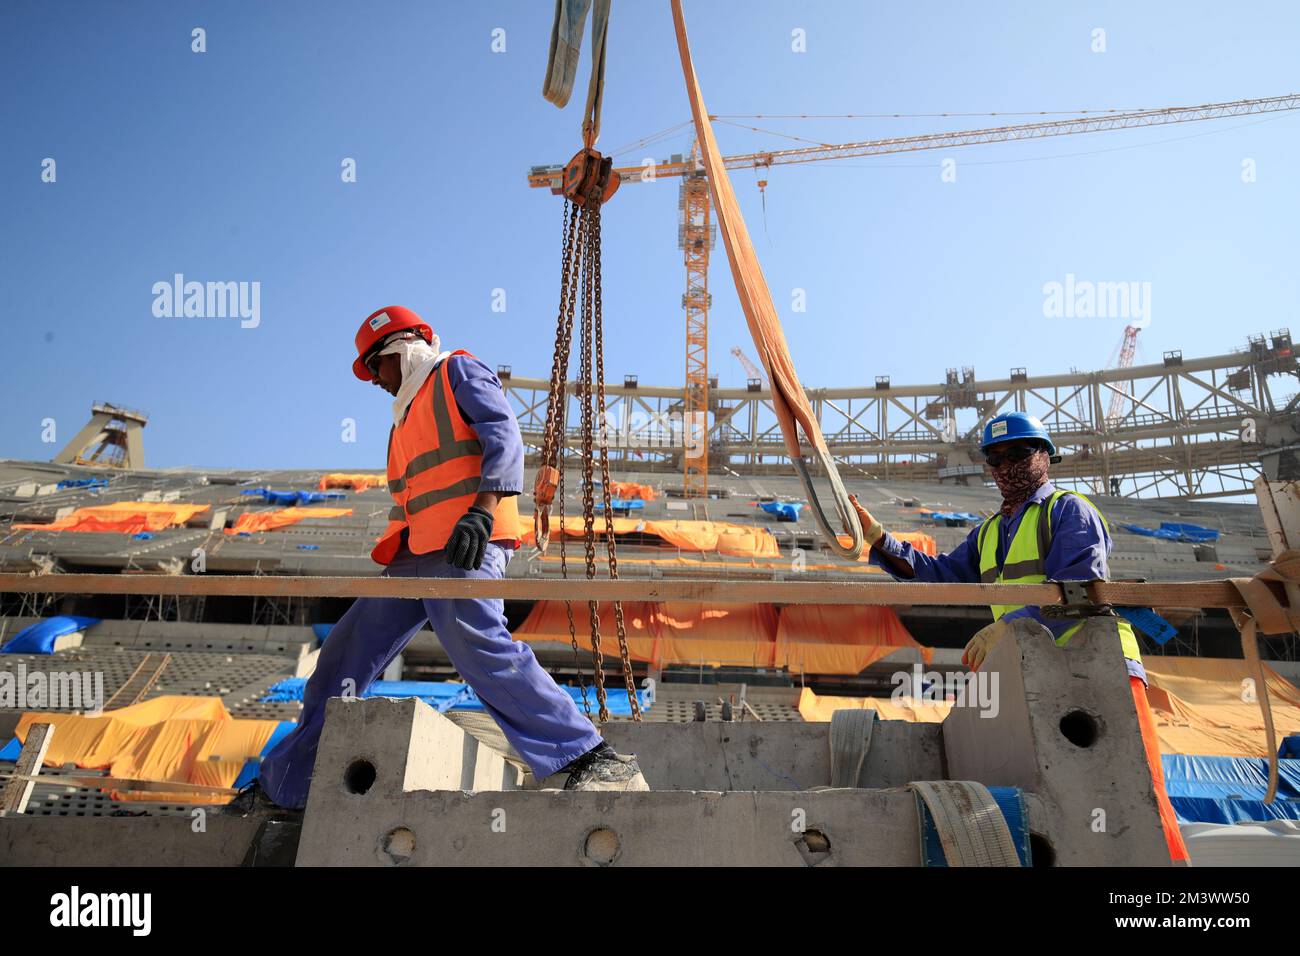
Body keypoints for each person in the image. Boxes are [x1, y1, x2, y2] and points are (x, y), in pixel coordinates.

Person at [225, 305, 647, 817]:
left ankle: (589, 755)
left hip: (466, 543)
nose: (374, 382)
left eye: (375, 367)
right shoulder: (401, 419)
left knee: (477, 646)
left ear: (399, 350)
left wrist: (483, 513)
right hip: (413, 556)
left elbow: (504, 435)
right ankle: (285, 787)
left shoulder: (457, 372)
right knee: (341, 659)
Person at [850, 410, 1189, 864]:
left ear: (1045, 455)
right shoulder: (989, 533)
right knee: (1063, 809)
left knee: (1136, 796)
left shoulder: (1068, 511)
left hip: (1098, 672)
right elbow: (942, 575)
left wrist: (1008, 627)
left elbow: (1079, 586)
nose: (1006, 465)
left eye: (1018, 453)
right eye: (995, 457)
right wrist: (878, 538)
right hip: (1032, 679)